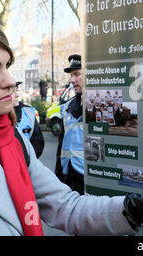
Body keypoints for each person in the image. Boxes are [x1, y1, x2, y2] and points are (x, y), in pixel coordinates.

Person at [0, 13, 143, 236]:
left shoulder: (13, 139)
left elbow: (67, 208)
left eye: (7, 66)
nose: (10, 82)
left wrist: (134, 208)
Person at [55, 54, 85, 194]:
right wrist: (59, 178)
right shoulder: (67, 108)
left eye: (77, 74)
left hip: (89, 178)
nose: (72, 80)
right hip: (69, 176)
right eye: (71, 75)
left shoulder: (100, 106)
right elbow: (61, 147)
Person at [13, 81, 44, 158]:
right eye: (12, 91)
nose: (17, 95)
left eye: (16, 90)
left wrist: (28, 161)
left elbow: (38, 142)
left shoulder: (28, 112)